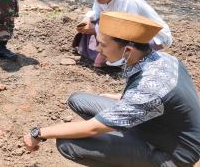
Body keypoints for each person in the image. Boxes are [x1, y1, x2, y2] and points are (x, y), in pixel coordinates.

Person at [25, 12, 200, 166]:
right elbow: (161, 99)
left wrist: (38, 133)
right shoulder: (163, 58)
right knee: (78, 100)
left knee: (68, 144)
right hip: (160, 127)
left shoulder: (148, 89)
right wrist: (121, 97)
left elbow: (92, 128)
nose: (97, 48)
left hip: (174, 154)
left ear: (128, 49)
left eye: (102, 44)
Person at [74, 0, 172, 67]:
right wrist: (86, 20)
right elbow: (95, 14)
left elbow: (129, 30)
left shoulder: (127, 0)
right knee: (93, 25)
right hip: (123, 30)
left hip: (151, 36)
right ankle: (104, 57)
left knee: (101, 29)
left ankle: (119, 62)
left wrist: (96, 28)